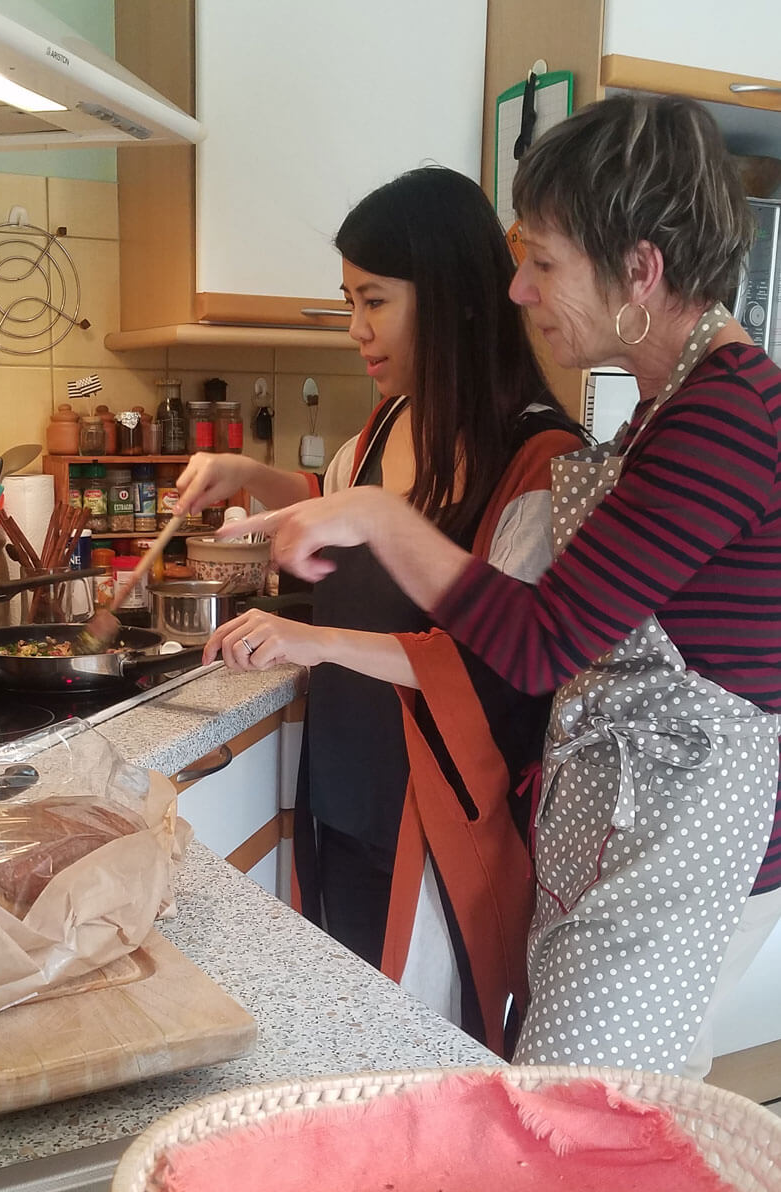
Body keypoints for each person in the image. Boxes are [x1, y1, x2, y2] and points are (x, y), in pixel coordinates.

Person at [228, 96, 781, 1079]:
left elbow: (537, 644)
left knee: (576, 1130)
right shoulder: (675, 406)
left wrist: (381, 520)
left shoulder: (726, 417)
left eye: (545, 261)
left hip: (680, 855)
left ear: (640, 272)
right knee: (594, 1119)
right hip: (624, 829)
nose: (518, 289)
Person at [176, 166, 584, 1056]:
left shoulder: (535, 458)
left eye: (373, 300)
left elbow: (497, 668)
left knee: (421, 1042)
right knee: (346, 1029)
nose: (355, 327)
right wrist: (250, 479)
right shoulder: (391, 418)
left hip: (439, 810)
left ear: (448, 298)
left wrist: (308, 638)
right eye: (347, 300)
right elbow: (334, 499)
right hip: (347, 783)